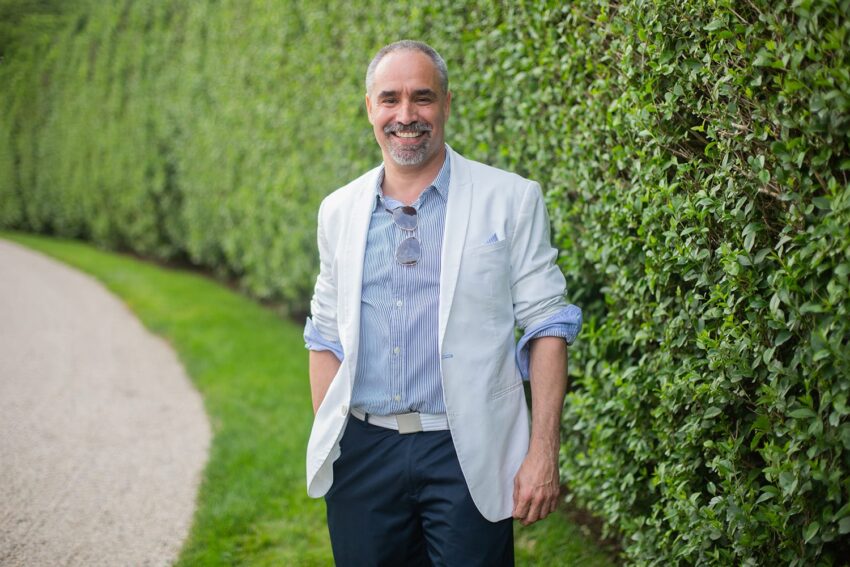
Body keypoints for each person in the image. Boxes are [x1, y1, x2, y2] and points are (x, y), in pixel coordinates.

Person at [303, 40, 582, 566]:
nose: (406, 115)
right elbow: (323, 336)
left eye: (423, 97)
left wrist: (543, 450)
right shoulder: (338, 210)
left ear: (447, 104)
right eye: (390, 98)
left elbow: (547, 325)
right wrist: (333, 438)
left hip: (466, 451)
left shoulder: (511, 199)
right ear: (370, 107)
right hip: (363, 455)